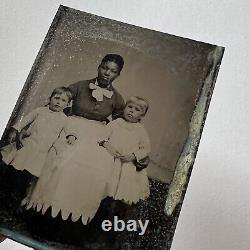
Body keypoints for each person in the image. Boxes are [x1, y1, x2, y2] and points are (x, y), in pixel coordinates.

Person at [24, 96, 150, 225]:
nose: (132, 111)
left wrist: (133, 155)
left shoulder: (140, 130)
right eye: (130, 107)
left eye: (137, 109)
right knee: (103, 179)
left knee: (118, 192)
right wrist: (107, 145)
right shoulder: (116, 123)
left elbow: (146, 148)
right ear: (124, 108)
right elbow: (103, 136)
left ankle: (108, 219)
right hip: (112, 156)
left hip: (126, 162)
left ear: (142, 114)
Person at [0, 87, 75, 179]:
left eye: (63, 100)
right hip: (28, 143)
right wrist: (15, 130)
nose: (58, 102)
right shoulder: (40, 111)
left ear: (67, 104)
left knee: (29, 171)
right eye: (56, 98)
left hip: (42, 149)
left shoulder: (64, 119)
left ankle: (18, 189)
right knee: (16, 164)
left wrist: (71, 136)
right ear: (50, 98)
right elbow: (25, 120)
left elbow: (70, 129)